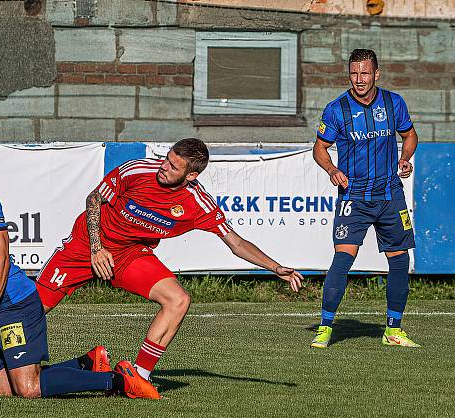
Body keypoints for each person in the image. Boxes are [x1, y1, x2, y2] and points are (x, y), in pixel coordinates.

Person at [36, 138, 304, 393]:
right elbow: (94, 199)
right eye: (166, 159)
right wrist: (96, 248)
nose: (164, 167)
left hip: (129, 254)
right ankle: (5, 362)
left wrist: (275, 267)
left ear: (191, 176)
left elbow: (236, 243)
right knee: (32, 310)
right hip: (85, 246)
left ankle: (138, 377)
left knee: (178, 300)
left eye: (173, 166)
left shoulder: (197, 203)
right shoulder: (137, 170)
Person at [0, 126, 158, 399]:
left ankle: (120, 380)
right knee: (3, 393)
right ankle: (88, 362)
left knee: (28, 389)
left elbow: (1, 257)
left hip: (14, 305)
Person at [311, 49, 419, 348]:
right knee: (343, 258)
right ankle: (325, 326)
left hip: (389, 195)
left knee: (400, 260)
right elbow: (319, 148)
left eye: (365, 73)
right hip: (354, 197)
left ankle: (393, 330)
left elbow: (410, 135)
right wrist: (332, 169)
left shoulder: (393, 102)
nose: (359, 79)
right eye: (354, 73)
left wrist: (405, 157)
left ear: (376, 74)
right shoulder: (336, 109)